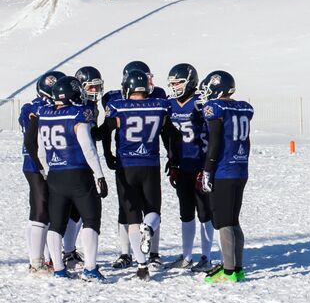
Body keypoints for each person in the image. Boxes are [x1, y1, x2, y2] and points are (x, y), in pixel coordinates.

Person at [100, 69, 180, 280]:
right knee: (154, 211)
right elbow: (171, 134)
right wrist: (173, 159)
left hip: (126, 166)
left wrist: (107, 154)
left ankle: (142, 266)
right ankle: (150, 230)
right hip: (150, 165)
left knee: (132, 217)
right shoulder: (160, 105)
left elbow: (104, 132)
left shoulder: (119, 105)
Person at [32, 76, 108, 281]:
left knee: (56, 224)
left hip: (55, 176)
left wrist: (49, 171)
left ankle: (58, 269)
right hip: (79, 174)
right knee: (91, 220)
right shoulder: (78, 114)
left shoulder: (45, 114)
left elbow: (40, 151)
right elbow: (88, 147)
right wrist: (99, 175)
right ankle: (90, 269)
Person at [199, 71, 254, 284]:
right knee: (233, 220)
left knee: (223, 222)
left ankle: (229, 270)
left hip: (224, 170)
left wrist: (207, 169)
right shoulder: (242, 107)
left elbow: (214, 143)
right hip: (240, 169)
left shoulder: (217, 109)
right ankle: (237, 268)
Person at [164, 64, 215, 272]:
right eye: (173, 83)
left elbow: (214, 136)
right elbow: (167, 136)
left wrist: (207, 167)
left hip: (200, 166)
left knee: (204, 212)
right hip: (182, 165)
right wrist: (173, 161)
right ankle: (186, 256)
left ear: (190, 82)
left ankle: (206, 257)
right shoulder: (170, 105)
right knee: (185, 212)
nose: (175, 87)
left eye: (178, 83)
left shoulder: (200, 103)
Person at [19, 71, 64, 273]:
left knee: (48, 210)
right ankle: (36, 261)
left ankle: (48, 257)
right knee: (40, 207)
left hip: (53, 162)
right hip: (35, 163)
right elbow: (28, 120)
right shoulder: (32, 107)